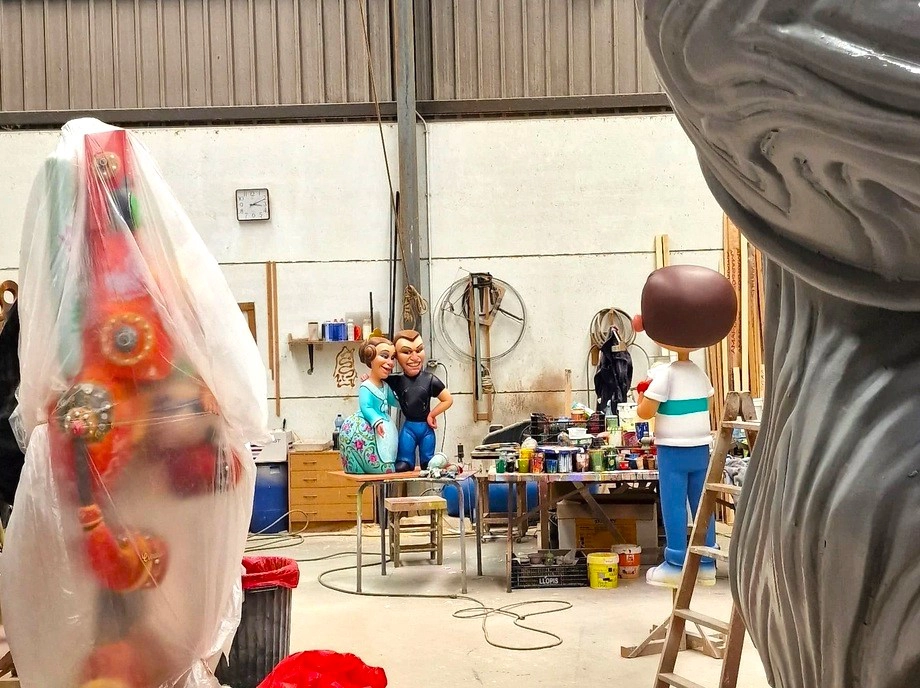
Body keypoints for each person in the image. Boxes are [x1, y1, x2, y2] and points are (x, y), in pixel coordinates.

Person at [632, 265, 737, 588]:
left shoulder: (664, 374)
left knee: (674, 505)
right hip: (701, 448)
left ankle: (676, 561)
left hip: (673, 451)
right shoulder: (698, 372)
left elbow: (645, 413)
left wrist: (641, 395)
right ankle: (705, 562)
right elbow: (708, 401)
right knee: (702, 504)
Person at [385, 330, 453, 472]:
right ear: (395, 356)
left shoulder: (429, 380)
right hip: (408, 428)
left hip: (426, 429)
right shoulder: (396, 380)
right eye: (407, 352)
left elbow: (448, 399)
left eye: (419, 350)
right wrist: (367, 378)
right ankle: (406, 461)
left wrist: (432, 415)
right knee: (404, 462)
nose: (415, 358)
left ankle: (427, 461)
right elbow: (377, 377)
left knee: (428, 462)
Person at [339, 336, 403, 474]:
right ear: (370, 357)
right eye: (384, 356)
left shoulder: (385, 386)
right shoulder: (366, 387)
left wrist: (409, 400)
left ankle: (385, 464)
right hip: (373, 424)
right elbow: (366, 406)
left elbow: (395, 401)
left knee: (386, 449)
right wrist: (376, 420)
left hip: (386, 424)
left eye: (392, 358)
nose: (390, 362)